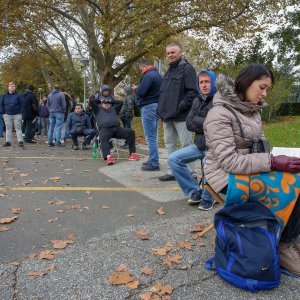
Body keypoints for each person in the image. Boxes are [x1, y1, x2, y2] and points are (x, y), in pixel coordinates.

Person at [204, 63, 300, 276]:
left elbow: (259, 145)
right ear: (246, 83)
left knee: (297, 177)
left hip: (250, 169)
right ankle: (283, 246)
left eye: (267, 89)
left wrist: (277, 157)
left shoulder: (252, 111)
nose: (264, 94)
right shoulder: (218, 113)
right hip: (224, 176)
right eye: (262, 87)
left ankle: (290, 237)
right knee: (293, 184)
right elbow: (229, 161)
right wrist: (273, 162)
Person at [168, 70, 216, 210]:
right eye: (201, 82)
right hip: (200, 145)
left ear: (213, 82)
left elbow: (216, 125)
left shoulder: (219, 100)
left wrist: (198, 121)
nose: (204, 85)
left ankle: (209, 197)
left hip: (215, 147)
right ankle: (194, 190)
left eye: (207, 81)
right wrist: (205, 123)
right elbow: (189, 123)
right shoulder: (197, 100)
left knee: (208, 162)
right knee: (173, 159)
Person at [158, 43, 198, 181]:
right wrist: (161, 111)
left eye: (173, 52)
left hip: (181, 116)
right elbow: (163, 94)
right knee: (170, 144)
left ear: (180, 53)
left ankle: (192, 173)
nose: (170, 55)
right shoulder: (168, 71)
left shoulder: (187, 69)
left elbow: (192, 92)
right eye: (168, 53)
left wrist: (180, 107)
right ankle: (172, 171)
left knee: (186, 145)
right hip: (167, 117)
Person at [90, 96, 140, 165]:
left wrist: (110, 101)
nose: (106, 104)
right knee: (103, 136)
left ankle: (132, 154)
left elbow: (120, 102)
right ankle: (108, 157)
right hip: (105, 130)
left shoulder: (114, 109)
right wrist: (101, 101)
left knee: (130, 132)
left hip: (117, 129)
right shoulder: (98, 110)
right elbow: (92, 101)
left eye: (108, 103)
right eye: (105, 103)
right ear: (101, 104)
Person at [132, 60, 162, 171]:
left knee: (150, 137)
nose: (141, 72)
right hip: (156, 106)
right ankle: (152, 159)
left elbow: (141, 92)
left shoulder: (148, 76)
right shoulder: (158, 75)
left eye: (141, 70)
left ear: (144, 67)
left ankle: (154, 162)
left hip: (148, 107)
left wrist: (136, 89)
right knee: (154, 135)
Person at [0, 82, 24, 147]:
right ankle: (8, 142)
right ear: (8, 87)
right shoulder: (4, 95)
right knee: (8, 128)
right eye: (10, 86)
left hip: (17, 114)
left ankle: (20, 141)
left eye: (13, 86)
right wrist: (3, 113)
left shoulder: (18, 95)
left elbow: (22, 104)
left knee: (18, 128)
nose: (12, 87)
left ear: (15, 87)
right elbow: (1, 105)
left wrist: (20, 112)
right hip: (7, 115)